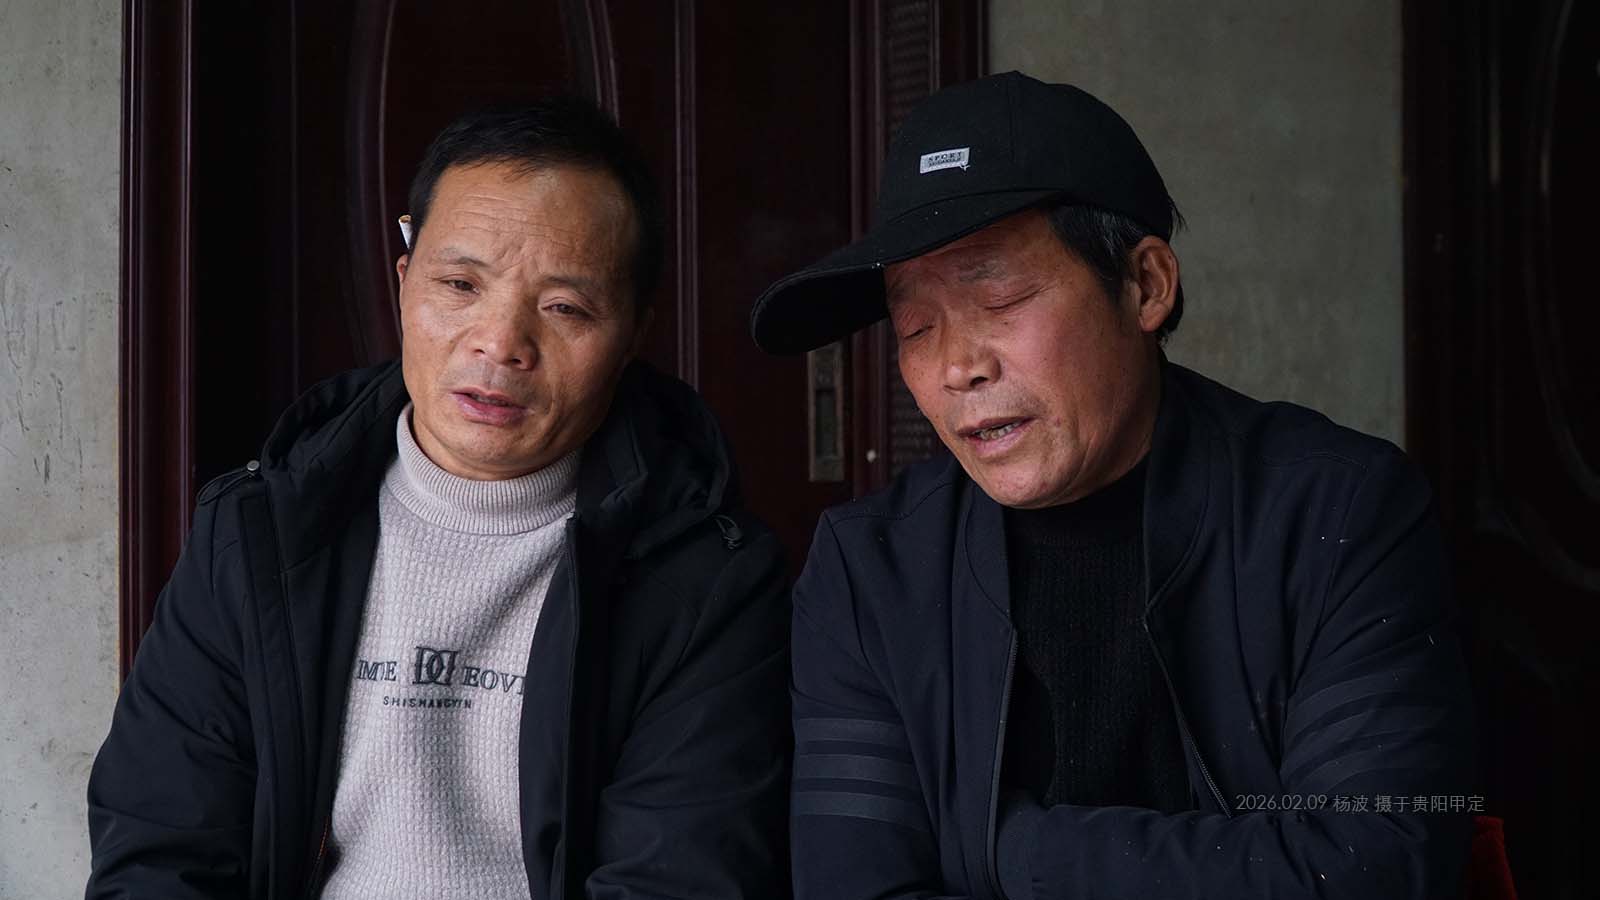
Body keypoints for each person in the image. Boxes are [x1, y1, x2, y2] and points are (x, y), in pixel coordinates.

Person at [752, 71, 1474, 900]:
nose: (957, 366)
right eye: (916, 326)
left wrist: (1008, 850)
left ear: (1146, 285)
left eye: (1001, 297)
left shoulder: (1334, 513)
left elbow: (1374, 865)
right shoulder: (871, 571)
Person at [88, 98, 791, 900]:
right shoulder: (259, 536)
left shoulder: (707, 580)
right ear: (403, 283)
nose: (501, 342)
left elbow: (679, 877)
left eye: (565, 307)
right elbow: (160, 850)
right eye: (459, 284)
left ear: (632, 333)